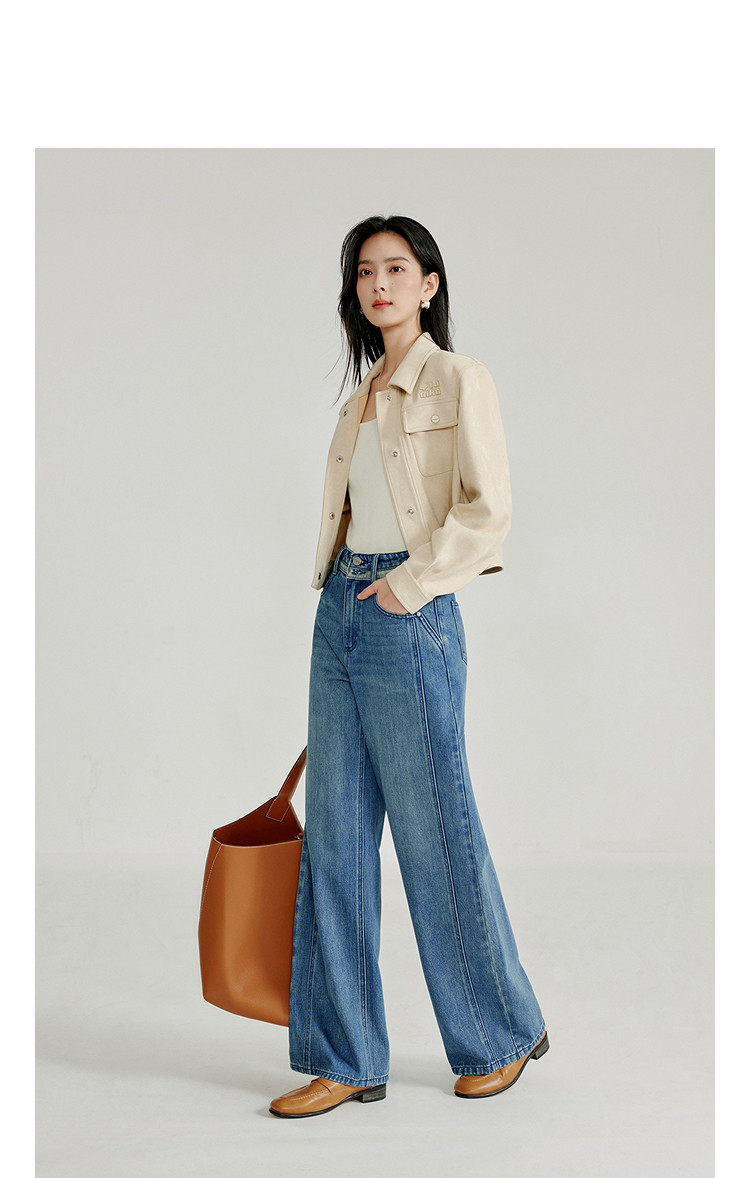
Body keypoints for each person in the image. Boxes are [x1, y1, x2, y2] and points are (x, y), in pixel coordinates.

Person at [269, 214, 548, 1119]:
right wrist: (350, 595)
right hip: (341, 615)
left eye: (396, 268)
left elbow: (487, 509)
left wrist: (408, 587)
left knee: (435, 833)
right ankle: (344, 1056)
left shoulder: (459, 380)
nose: (378, 284)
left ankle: (499, 1034)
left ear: (428, 284)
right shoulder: (360, 396)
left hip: (408, 614)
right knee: (336, 840)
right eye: (364, 272)